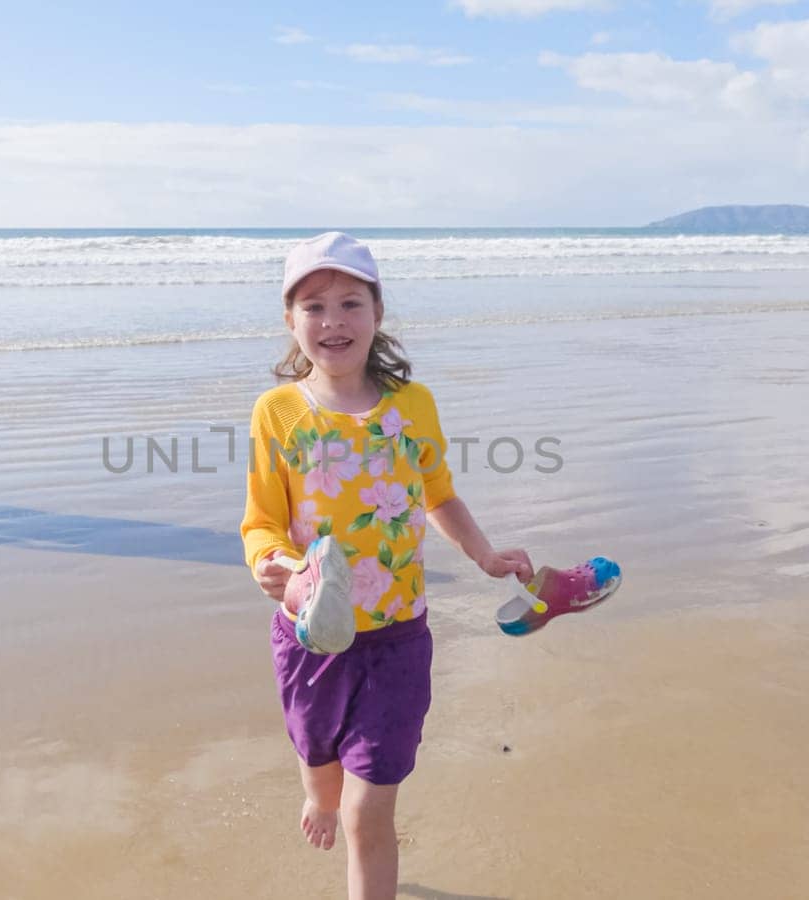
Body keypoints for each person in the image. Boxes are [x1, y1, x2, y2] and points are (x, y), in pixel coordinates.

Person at [241, 232, 532, 899]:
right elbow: (261, 520)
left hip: (399, 635)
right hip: (312, 632)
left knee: (368, 810)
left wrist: (483, 553)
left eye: (351, 302)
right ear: (291, 321)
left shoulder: (412, 406)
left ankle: (351, 832)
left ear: (377, 313)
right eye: (314, 306)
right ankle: (317, 793)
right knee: (317, 753)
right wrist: (270, 563)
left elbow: (439, 496)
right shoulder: (279, 412)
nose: (334, 320)